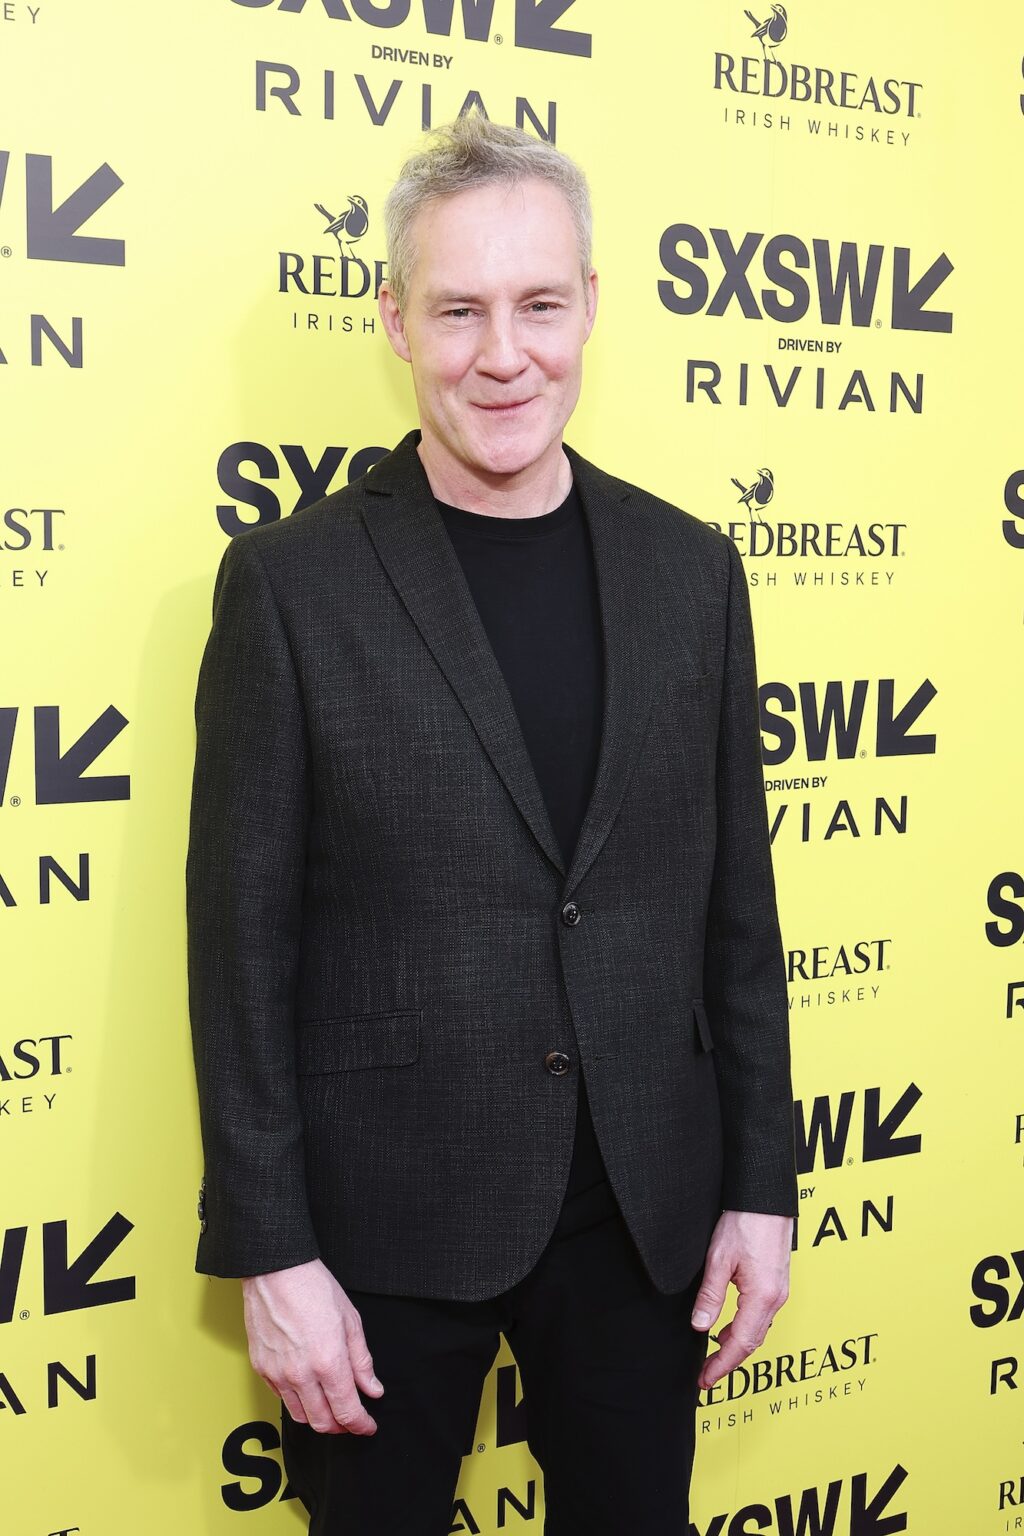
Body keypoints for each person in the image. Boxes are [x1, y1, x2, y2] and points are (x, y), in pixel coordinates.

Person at [186, 113, 797, 1535]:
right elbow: (240, 951)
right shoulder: (289, 588)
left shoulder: (693, 575)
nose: (502, 352)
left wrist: (759, 1189)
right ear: (395, 322)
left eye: (538, 303)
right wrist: (272, 1256)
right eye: (458, 309)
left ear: (594, 304)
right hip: (381, 1238)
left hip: (644, 1220)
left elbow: (740, 921)